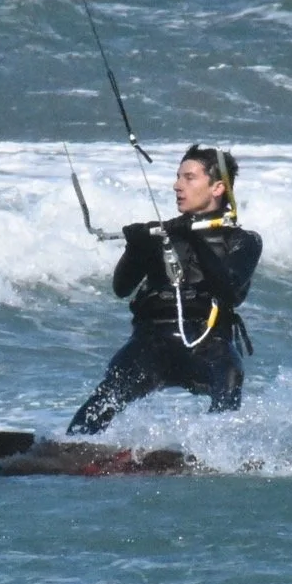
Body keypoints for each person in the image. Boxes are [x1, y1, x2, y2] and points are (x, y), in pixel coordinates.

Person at [68, 144, 262, 436]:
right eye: (177, 177)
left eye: (188, 177)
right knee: (110, 391)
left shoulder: (243, 240)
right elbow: (122, 288)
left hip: (207, 342)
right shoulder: (162, 236)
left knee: (230, 374)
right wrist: (135, 248)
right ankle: (70, 445)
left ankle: (222, 453)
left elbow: (229, 290)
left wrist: (193, 238)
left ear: (217, 187)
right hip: (152, 341)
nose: (177, 185)